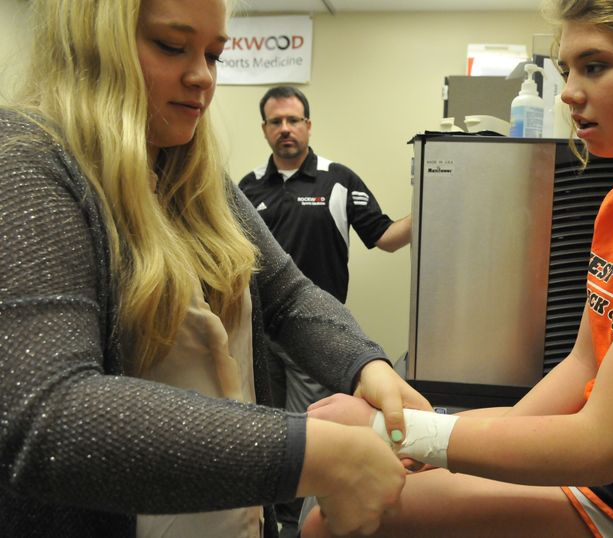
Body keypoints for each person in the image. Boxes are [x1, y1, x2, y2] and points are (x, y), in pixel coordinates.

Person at [301, 0, 613, 536]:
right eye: (568, 70)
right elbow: (583, 368)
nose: (568, 92)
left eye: (594, 66)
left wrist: (397, 433)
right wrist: (429, 441)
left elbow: (601, 444)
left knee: (342, 515)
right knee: (353, 484)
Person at [0, 1, 431, 537]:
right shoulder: (26, 161)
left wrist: (369, 366)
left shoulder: (191, 173)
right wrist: (304, 452)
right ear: (92, 44)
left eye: (213, 53)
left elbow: (287, 294)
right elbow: (45, 416)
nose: (201, 76)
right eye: (171, 46)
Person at [238, 85, 413, 535]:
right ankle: (272, 523)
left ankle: (305, 527)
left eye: (293, 120)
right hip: (258, 337)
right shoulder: (247, 187)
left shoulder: (338, 179)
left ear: (308, 126)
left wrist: (439, 204)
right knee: (266, 430)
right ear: (265, 130)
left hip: (312, 338)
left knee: (309, 433)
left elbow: (386, 236)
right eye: (276, 122)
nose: (285, 130)